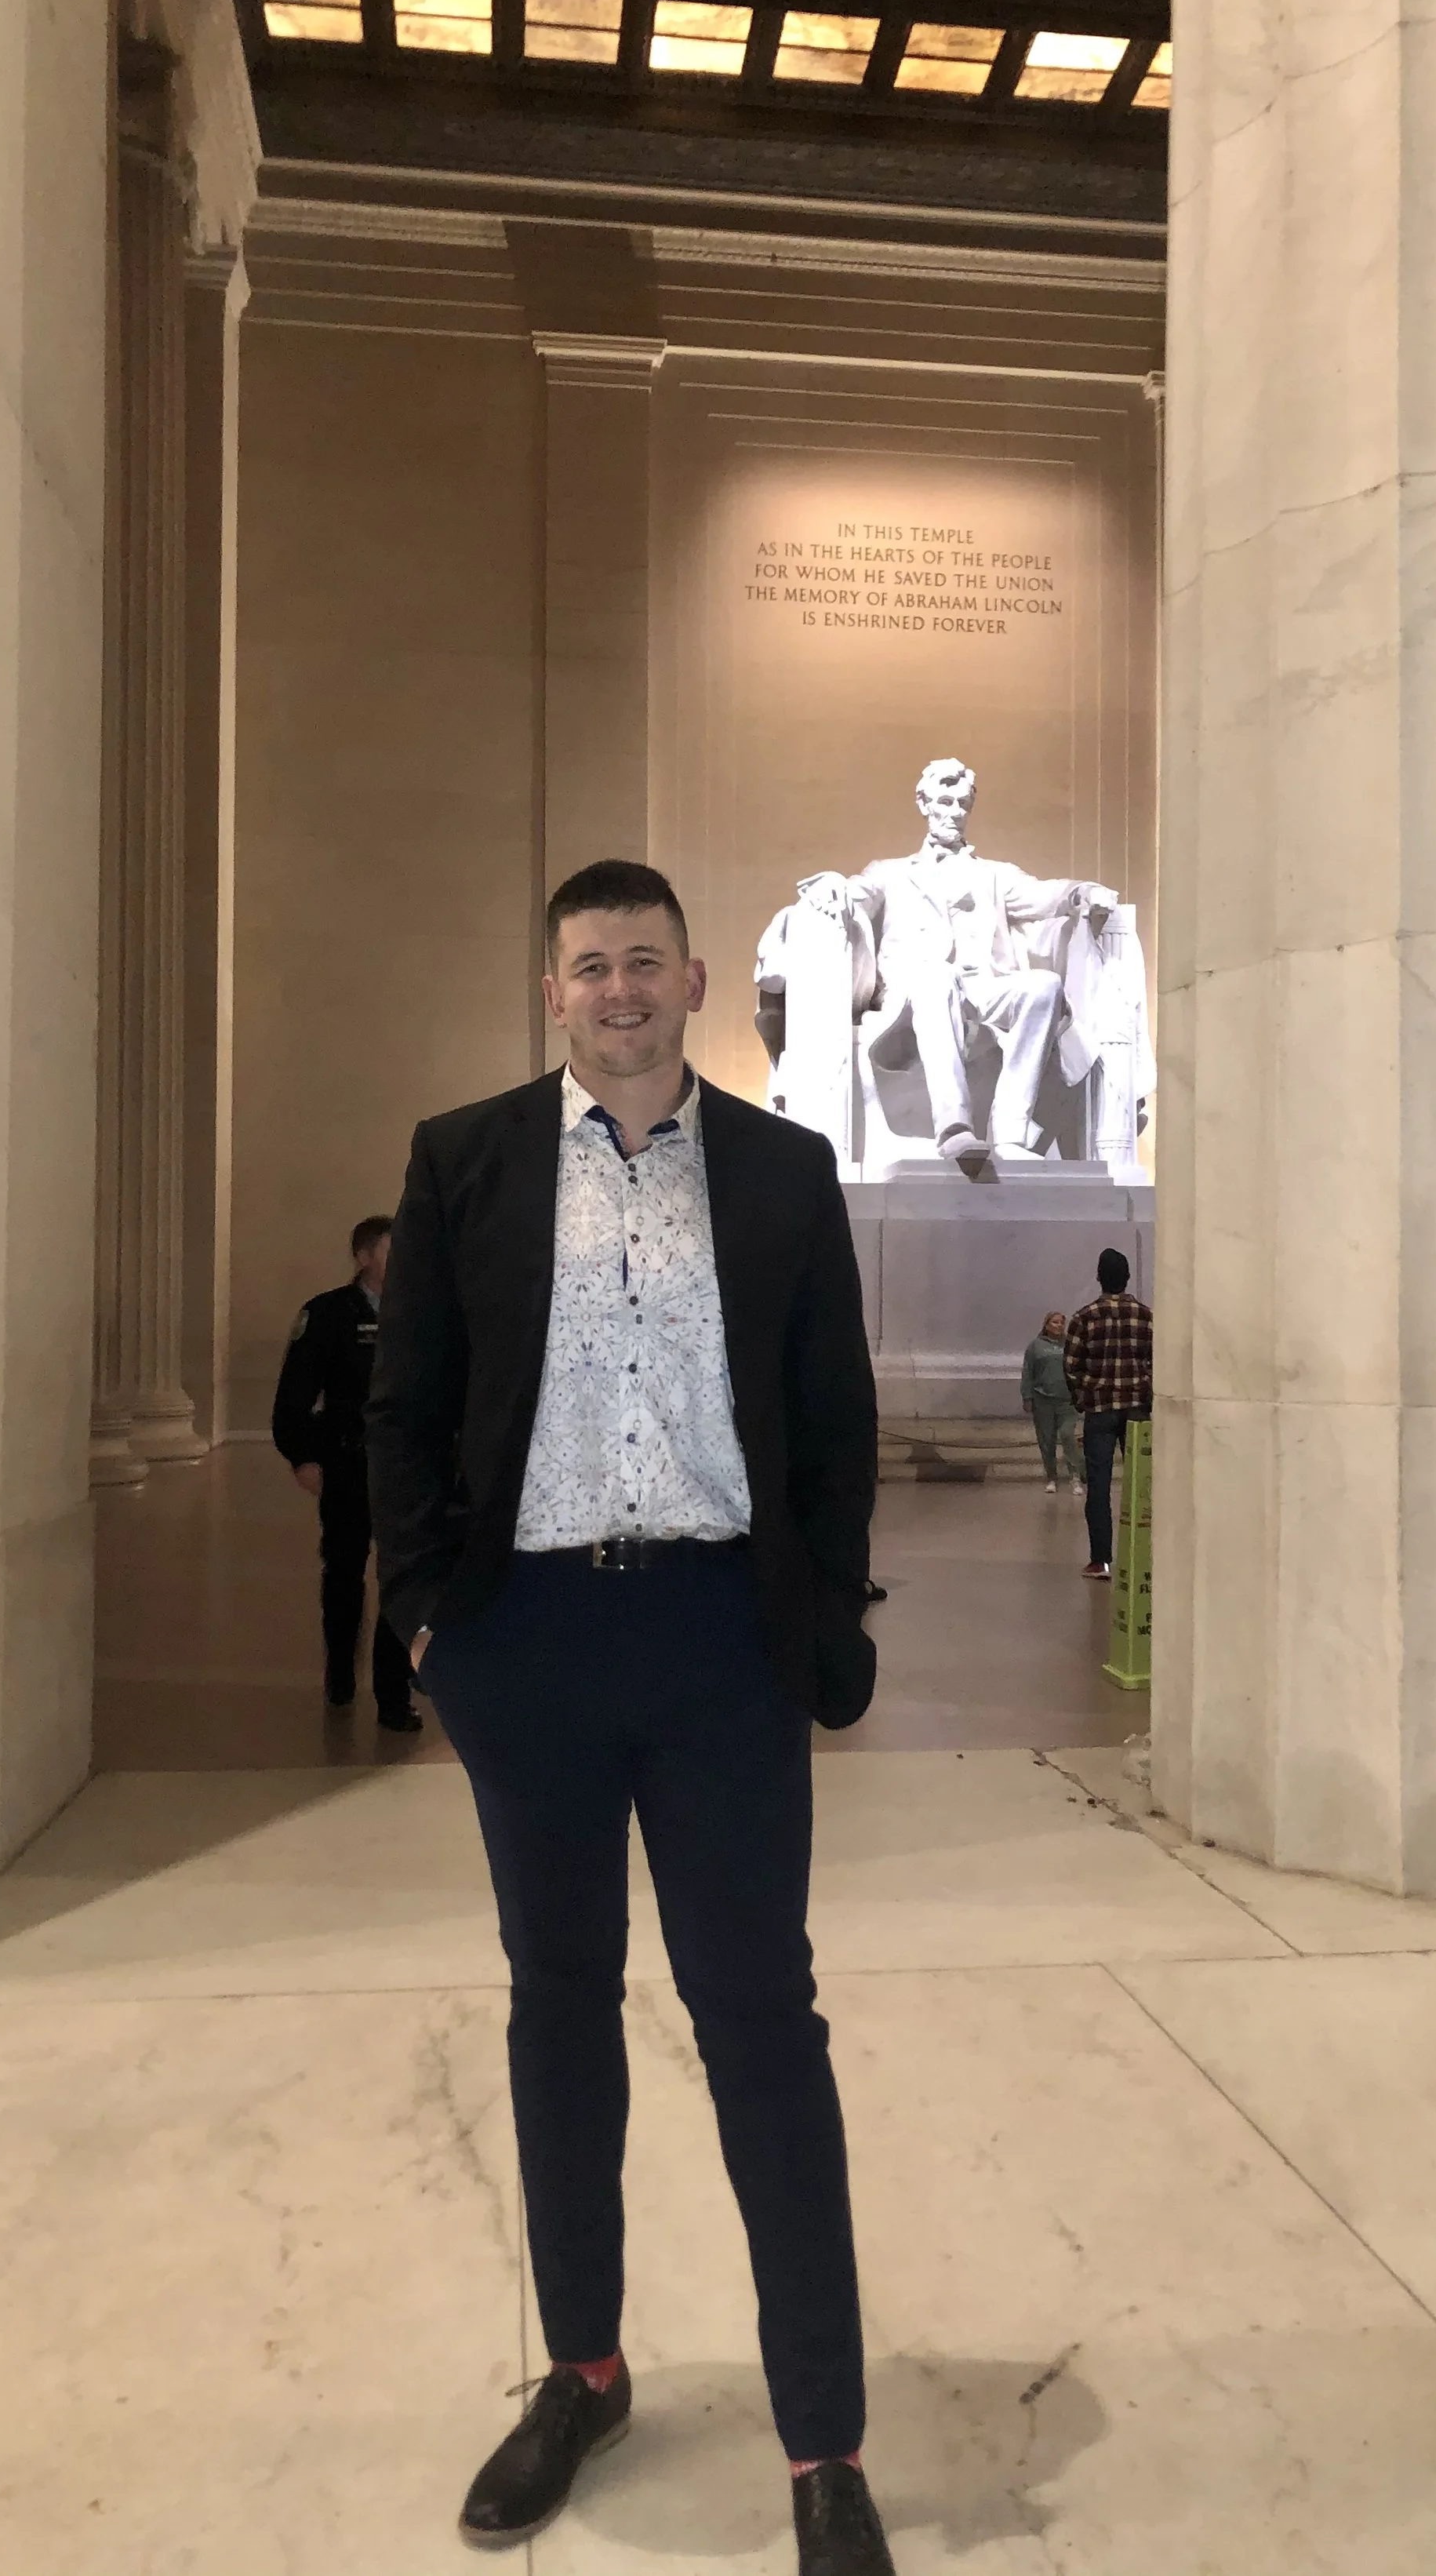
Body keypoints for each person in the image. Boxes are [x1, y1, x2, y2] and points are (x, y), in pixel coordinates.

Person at [368, 858, 895, 2576]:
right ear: (550, 990)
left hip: (715, 1639)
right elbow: (412, 1400)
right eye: (587, 965)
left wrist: (819, 1618)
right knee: (557, 2005)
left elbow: (831, 1418)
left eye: (643, 963)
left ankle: (822, 2441)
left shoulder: (780, 1168)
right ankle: (582, 2368)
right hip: (526, 1638)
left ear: (690, 984)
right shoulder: (467, 1158)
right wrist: (431, 1615)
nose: (615, 990)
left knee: (761, 2024)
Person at [787, 757, 1114, 1162]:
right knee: (937, 977)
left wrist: (1082, 892)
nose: (955, 813)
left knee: (1043, 987)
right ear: (924, 804)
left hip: (981, 990)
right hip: (915, 995)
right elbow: (858, 893)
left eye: (963, 804)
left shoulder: (995, 874)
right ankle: (954, 1127)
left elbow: (1044, 895)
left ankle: (1011, 1132)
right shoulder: (890, 872)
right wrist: (835, 883)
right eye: (946, 801)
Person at [271, 1214, 421, 1732]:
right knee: (344, 1572)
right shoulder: (328, 1314)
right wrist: (302, 1456)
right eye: (388, 1247)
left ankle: (393, 1692)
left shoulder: (424, 1310)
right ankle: (340, 1668)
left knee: (401, 1577)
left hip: (407, 1467)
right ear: (363, 1256)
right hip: (348, 1463)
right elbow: (294, 1395)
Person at [1062, 1247, 1153, 1582]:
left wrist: (1086, 1395)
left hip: (1100, 1412)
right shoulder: (1147, 1316)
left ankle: (1101, 1561)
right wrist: (1145, 1389)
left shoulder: (1084, 1317)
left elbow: (1071, 1367)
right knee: (1141, 1485)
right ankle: (1144, 1555)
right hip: (1137, 1410)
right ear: (1128, 1278)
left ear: (1099, 1277)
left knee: (1098, 1487)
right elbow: (1158, 1363)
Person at [1020, 1312, 1082, 1493]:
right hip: (1043, 1400)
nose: (1059, 1326)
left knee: (1068, 1436)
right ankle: (1051, 1477)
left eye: (1062, 1323)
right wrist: (1027, 1396)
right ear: (1046, 1325)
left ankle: (1075, 1476)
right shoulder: (1035, 1347)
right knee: (1047, 1440)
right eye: (1055, 1322)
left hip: (1067, 1400)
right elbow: (1028, 1372)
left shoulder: (1070, 1345)